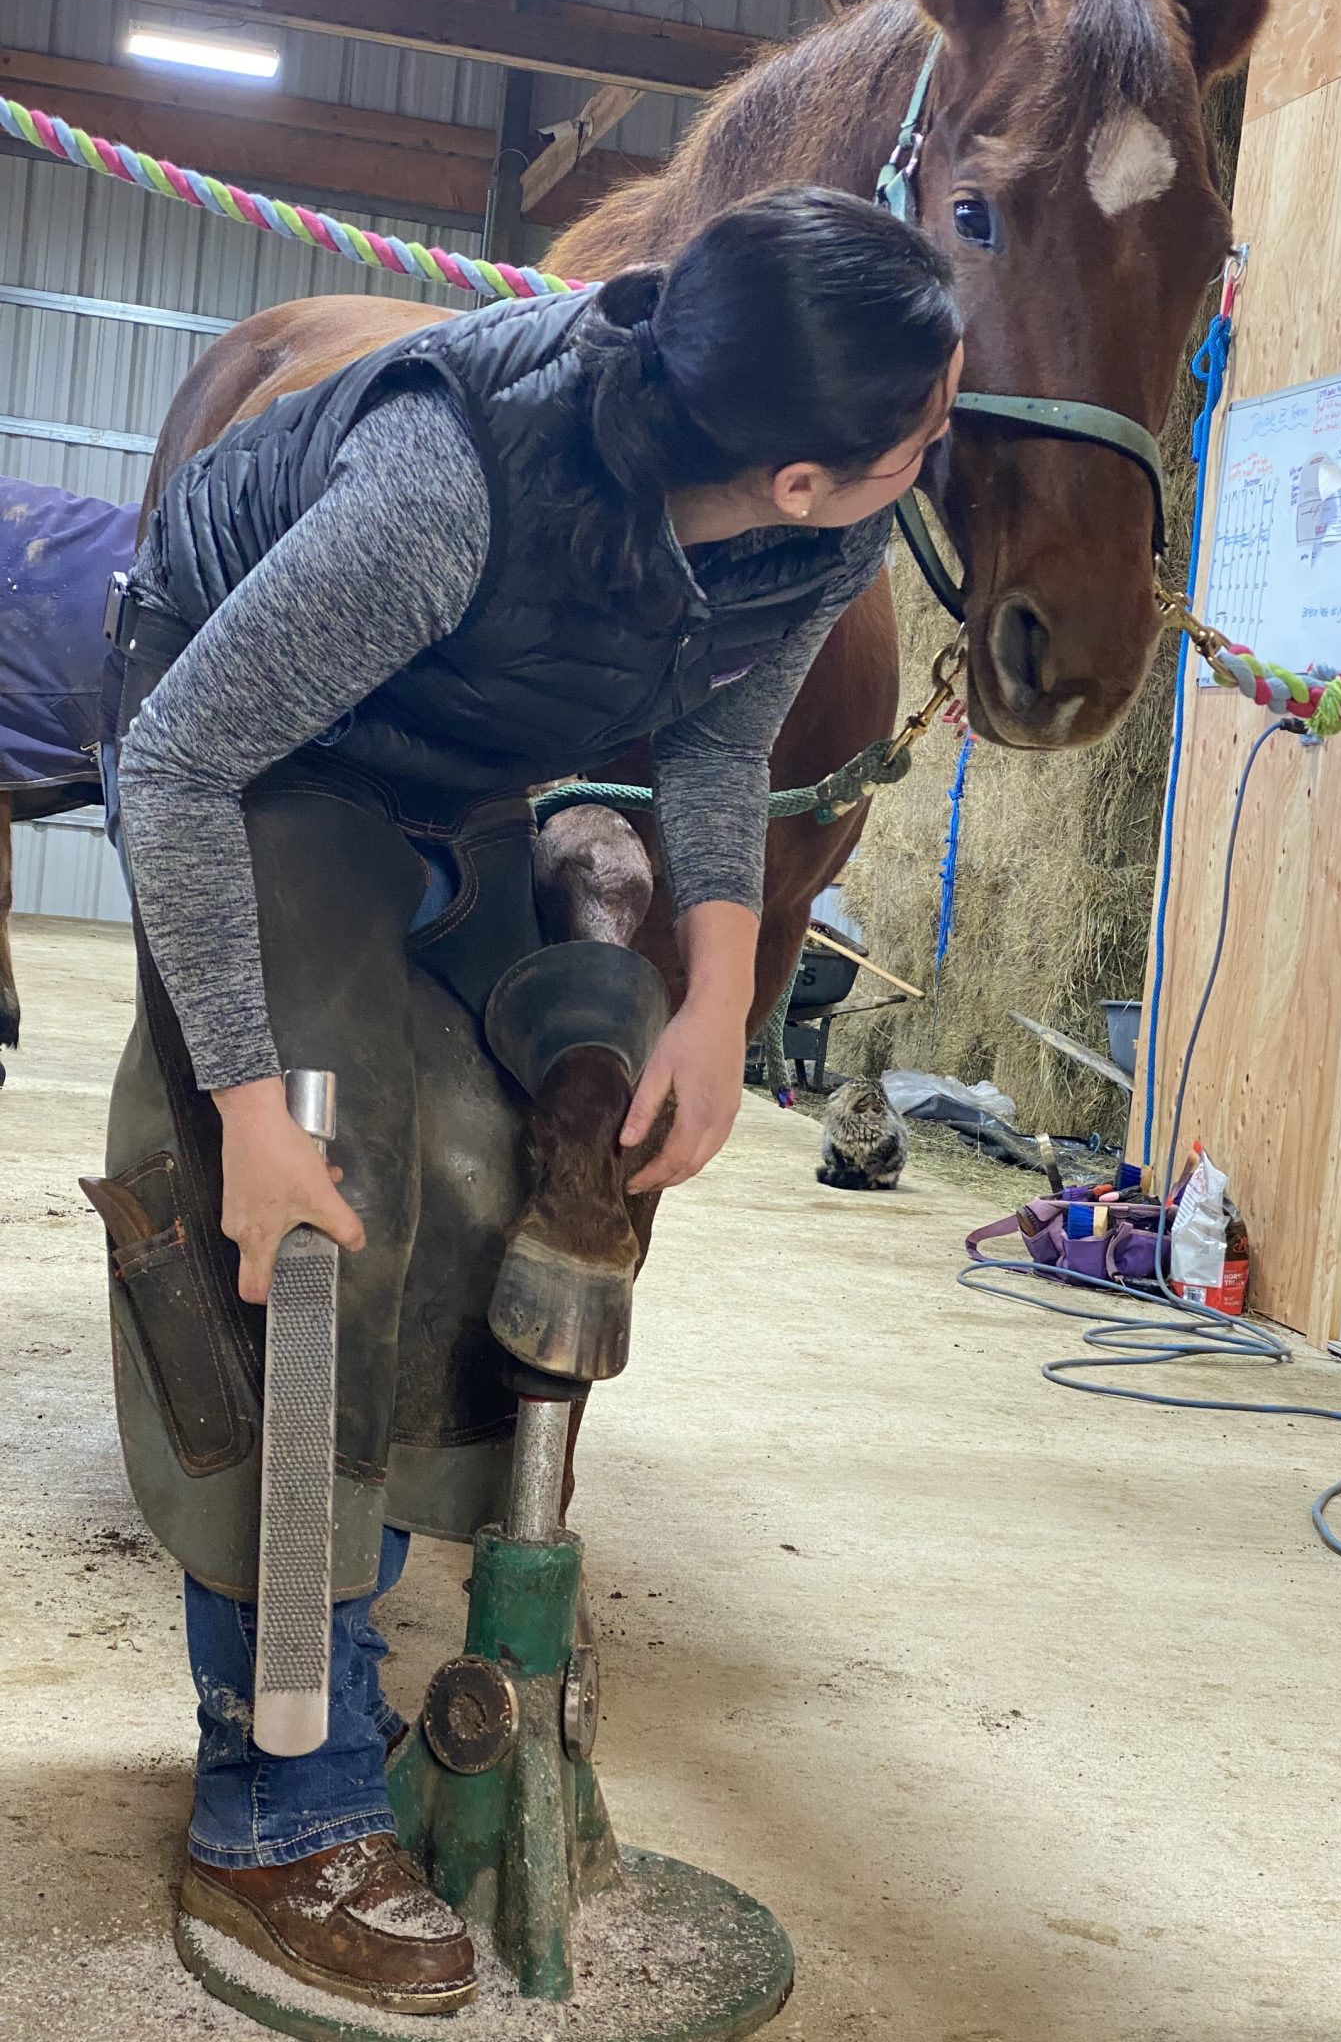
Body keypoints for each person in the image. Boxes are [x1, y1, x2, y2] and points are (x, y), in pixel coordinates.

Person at [105, 185, 962, 2015]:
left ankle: (442, 1645)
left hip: (457, 774)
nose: (938, 447)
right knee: (328, 1212)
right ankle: (278, 1808)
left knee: (543, 1113)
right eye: (925, 426)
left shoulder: (812, 535)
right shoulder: (444, 494)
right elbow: (172, 765)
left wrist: (721, 998)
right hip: (251, 753)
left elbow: (724, 737)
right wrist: (248, 1115)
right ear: (803, 470)